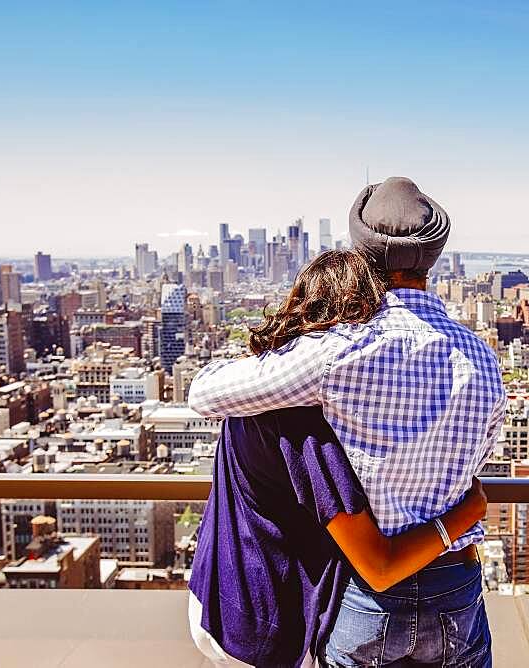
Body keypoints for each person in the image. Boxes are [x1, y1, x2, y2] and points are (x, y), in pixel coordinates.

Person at [190, 177, 506, 666]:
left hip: (370, 594)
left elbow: (205, 395)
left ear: (361, 256)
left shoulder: (339, 350)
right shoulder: (483, 360)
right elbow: (475, 470)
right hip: (456, 586)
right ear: (434, 258)